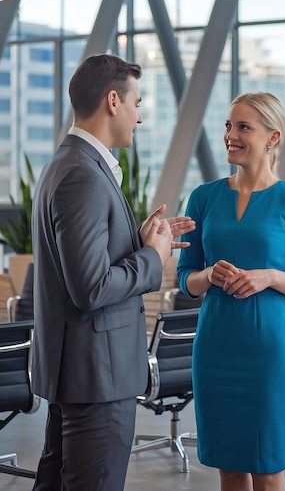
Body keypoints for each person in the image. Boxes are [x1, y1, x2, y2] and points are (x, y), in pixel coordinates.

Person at [30, 53, 195, 491]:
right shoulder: (83, 175)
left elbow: (83, 269)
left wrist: (139, 241)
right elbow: (92, 287)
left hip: (81, 373)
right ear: (113, 101)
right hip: (97, 377)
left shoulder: (68, 166)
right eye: (138, 103)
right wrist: (152, 259)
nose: (140, 117)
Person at [177, 91, 285, 491]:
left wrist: (270, 277)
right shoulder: (203, 197)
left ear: (272, 137)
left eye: (244, 126)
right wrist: (208, 274)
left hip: (268, 348)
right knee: (229, 465)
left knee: (266, 465)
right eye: (229, 125)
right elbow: (185, 278)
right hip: (215, 344)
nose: (231, 135)